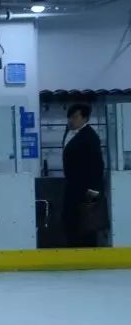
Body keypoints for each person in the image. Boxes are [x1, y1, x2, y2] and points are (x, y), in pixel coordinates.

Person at [62, 104, 105, 248]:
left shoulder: (90, 137)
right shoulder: (68, 131)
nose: (71, 120)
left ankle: (87, 253)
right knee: (70, 219)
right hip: (72, 185)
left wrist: (94, 189)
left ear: (85, 118)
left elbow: (97, 165)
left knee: (86, 222)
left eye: (75, 117)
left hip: (85, 187)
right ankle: (73, 250)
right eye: (70, 117)